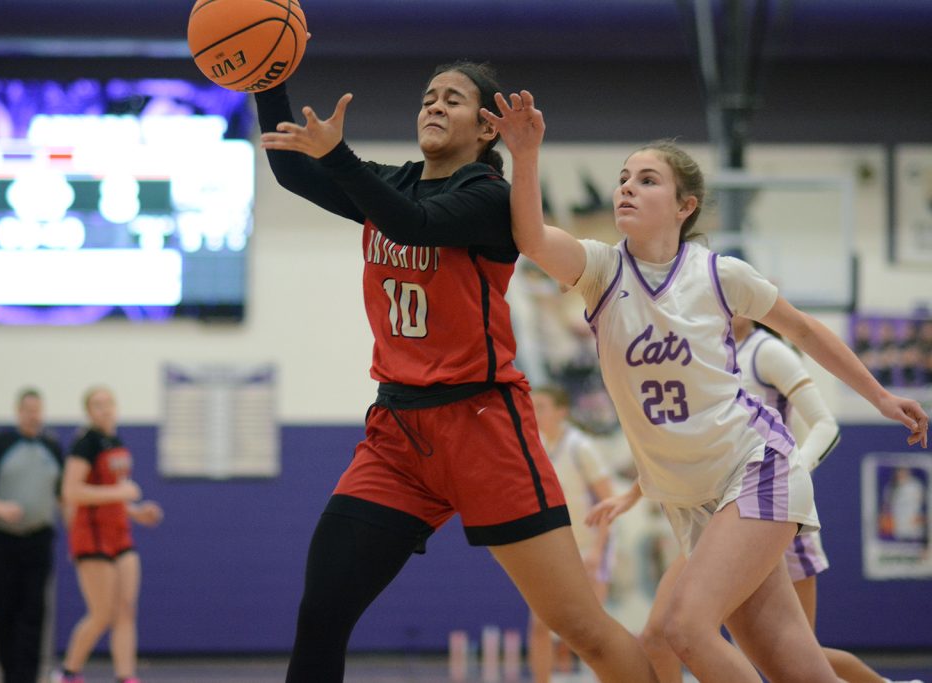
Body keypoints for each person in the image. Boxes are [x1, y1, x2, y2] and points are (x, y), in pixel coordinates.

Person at [485, 89, 928, 683]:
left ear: (684, 206)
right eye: (623, 178)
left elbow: (803, 328)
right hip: (687, 499)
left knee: (683, 629)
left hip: (753, 467)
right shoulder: (600, 269)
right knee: (797, 669)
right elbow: (534, 240)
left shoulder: (719, 275)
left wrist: (880, 396)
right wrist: (525, 154)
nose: (627, 188)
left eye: (647, 180)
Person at [254, 62, 659, 683]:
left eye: (453, 99)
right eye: (428, 97)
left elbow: (412, 224)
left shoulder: (490, 197)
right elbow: (290, 168)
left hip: (482, 424)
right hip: (398, 434)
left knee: (579, 627)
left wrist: (338, 156)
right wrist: (266, 74)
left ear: (486, 127)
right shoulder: (393, 182)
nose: (434, 106)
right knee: (322, 613)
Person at [594, 318, 919, 683]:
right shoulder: (699, 350)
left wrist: (791, 471)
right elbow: (690, 442)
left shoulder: (767, 351)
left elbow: (825, 424)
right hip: (720, 509)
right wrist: (633, 492)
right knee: (661, 635)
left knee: (792, 658)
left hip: (768, 502)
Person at [52, 386, 163, 683]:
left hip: (119, 533)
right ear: (88, 411)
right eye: (97, 405)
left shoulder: (115, 441)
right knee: (102, 614)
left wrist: (135, 511)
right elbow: (71, 491)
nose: (105, 409)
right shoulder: (85, 444)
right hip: (92, 535)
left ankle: (126, 676)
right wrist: (121, 493)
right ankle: (68, 672)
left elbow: (113, 491)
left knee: (126, 609)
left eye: (108, 403)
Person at [0, 388, 63, 683]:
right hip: (1, 540)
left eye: (38, 410)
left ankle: (26, 677)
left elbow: (64, 496)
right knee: (0, 607)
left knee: (33, 611)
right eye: (28, 410)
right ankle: (10, 674)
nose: (34, 416)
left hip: (38, 540)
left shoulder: (52, 448)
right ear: (18, 412)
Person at [528, 385, 616, 683]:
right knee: (540, 625)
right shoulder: (534, 446)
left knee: (593, 630)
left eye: (541, 406)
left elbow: (608, 502)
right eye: (531, 406)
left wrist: (598, 551)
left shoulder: (581, 447)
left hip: (589, 547)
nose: (534, 412)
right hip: (553, 550)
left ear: (561, 412)